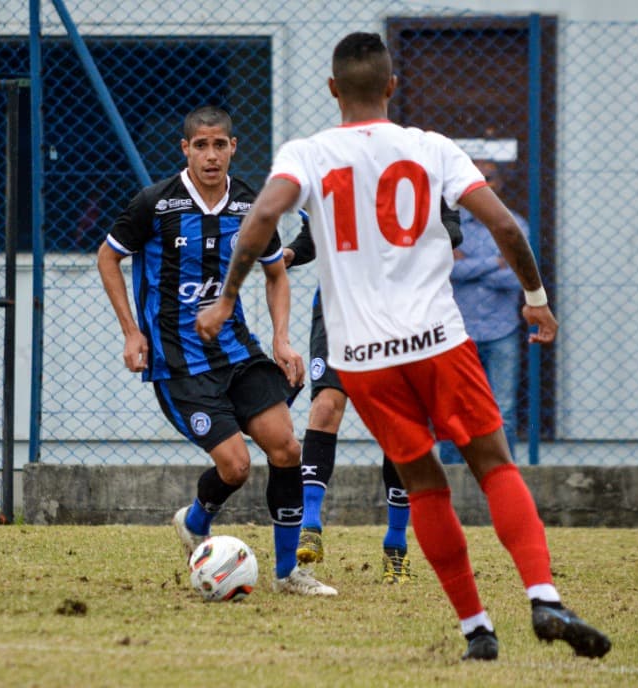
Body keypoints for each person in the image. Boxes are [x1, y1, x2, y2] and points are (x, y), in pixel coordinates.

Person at [195, 33, 609, 661]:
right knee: (494, 464)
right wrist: (536, 297)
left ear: (333, 89)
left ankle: (476, 629)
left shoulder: (307, 153)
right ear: (392, 86)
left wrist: (227, 296)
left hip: (362, 356)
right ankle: (542, 596)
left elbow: (258, 225)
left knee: (425, 484)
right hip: (439, 340)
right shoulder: (432, 148)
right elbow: (501, 224)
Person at [97, 105, 337, 597]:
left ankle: (289, 572)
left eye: (219, 145)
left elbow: (275, 273)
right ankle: (195, 520)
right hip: (178, 365)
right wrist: (130, 331)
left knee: (287, 448)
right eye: (200, 145)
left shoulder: (249, 204)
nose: (211, 155)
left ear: (233, 148)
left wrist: (281, 338)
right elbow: (108, 257)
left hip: (237, 355)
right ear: (185, 149)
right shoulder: (154, 204)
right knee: (236, 467)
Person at [284, 201, 462, 583]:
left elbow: (450, 232)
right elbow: (314, 235)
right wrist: (290, 254)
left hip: (401, 312)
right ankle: (310, 525)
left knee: (399, 424)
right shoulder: (335, 167)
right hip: (339, 309)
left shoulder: (422, 170)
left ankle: (395, 544)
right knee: (326, 404)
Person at [437, 160, 526, 465]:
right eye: (477, 178)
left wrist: (469, 263)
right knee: (455, 408)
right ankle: (452, 473)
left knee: (503, 410)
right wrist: (495, 262)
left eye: (489, 178)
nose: (484, 184)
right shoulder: (450, 226)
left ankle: (505, 474)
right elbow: (445, 270)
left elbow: (516, 276)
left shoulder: (515, 224)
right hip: (459, 333)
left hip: (503, 330)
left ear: (499, 183)